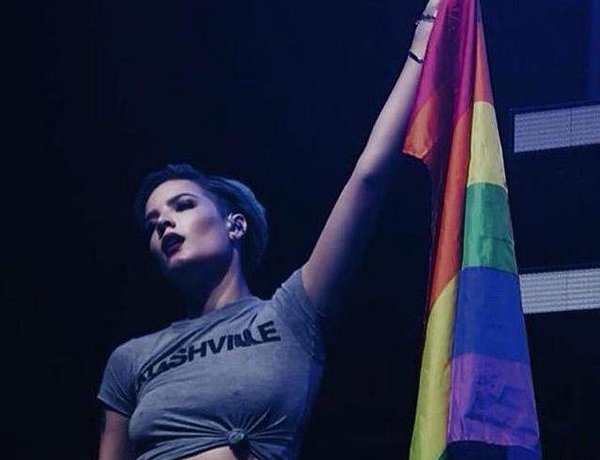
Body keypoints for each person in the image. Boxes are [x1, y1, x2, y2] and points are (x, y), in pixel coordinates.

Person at [97, 1, 439, 459]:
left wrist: (423, 40)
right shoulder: (130, 359)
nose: (164, 224)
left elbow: (367, 178)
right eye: (153, 223)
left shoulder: (291, 316)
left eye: (182, 205)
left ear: (235, 225)